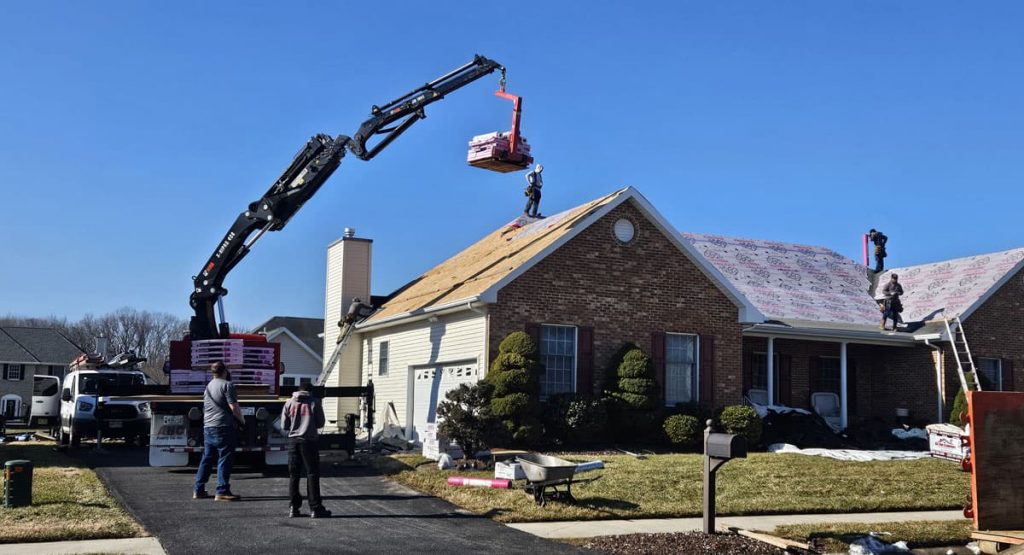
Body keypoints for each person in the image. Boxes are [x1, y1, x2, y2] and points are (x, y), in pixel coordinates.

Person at [193, 361, 245, 501]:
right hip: (223, 426)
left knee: (207, 458)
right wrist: (242, 421)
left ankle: (198, 489)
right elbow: (234, 407)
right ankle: (222, 490)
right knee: (224, 457)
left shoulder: (208, 386)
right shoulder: (227, 385)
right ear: (225, 371)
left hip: (208, 427)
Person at [282, 382, 330, 518]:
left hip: (293, 442)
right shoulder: (314, 402)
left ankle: (293, 508)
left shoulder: (289, 403)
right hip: (309, 441)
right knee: (312, 474)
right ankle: (315, 508)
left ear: (299, 390)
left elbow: (284, 425)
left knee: (294, 475)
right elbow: (320, 423)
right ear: (310, 391)